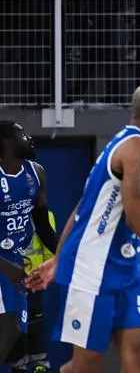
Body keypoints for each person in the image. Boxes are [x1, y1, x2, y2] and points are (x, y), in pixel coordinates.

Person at [25, 82, 140, 373]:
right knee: (86, 364)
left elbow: (82, 208)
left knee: (137, 348)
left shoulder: (123, 143)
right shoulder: (138, 150)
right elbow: (136, 217)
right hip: (91, 267)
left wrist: (57, 257)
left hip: (124, 267)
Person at [0, 122, 56, 365]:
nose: (29, 137)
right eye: (22, 134)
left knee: (17, 346)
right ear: (7, 142)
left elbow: (42, 223)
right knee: (10, 332)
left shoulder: (37, 173)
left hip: (15, 265)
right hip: (3, 265)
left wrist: (65, 254)